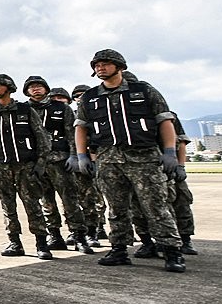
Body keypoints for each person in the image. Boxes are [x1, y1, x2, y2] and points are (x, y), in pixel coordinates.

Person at [70, 49, 185, 272]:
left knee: (155, 206)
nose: (100, 68)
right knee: (116, 208)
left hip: (144, 159)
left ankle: (172, 251)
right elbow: (81, 128)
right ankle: (119, 249)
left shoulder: (144, 91)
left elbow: (165, 122)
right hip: (108, 159)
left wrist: (170, 152)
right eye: (96, 65)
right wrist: (82, 155)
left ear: (120, 66)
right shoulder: (90, 97)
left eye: (105, 64)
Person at [0, 74, 53, 259]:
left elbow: (41, 137)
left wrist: (41, 163)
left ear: (9, 87)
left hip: (25, 166)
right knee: (7, 206)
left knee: (33, 205)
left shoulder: (25, 110)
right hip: (0, 167)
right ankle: (15, 242)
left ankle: (41, 244)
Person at [23, 77, 91, 254]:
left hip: (60, 160)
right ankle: (55, 236)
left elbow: (71, 133)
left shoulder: (61, 108)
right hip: (36, 162)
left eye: (39, 86)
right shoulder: (22, 110)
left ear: (46, 89)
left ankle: (79, 236)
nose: (36, 89)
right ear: (26, 91)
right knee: (47, 202)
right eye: (31, 87)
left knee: (70, 200)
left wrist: (75, 156)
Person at [132, 121, 199, 257]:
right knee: (139, 207)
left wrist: (180, 166)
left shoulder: (168, 116)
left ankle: (184, 240)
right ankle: (148, 243)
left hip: (169, 166)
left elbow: (181, 143)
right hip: (142, 167)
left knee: (181, 203)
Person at [70, 82, 107, 243]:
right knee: (84, 197)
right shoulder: (71, 115)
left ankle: (100, 227)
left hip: (99, 157)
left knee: (99, 197)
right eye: (77, 96)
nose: (80, 98)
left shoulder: (98, 112)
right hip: (80, 160)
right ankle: (87, 230)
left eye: (83, 94)